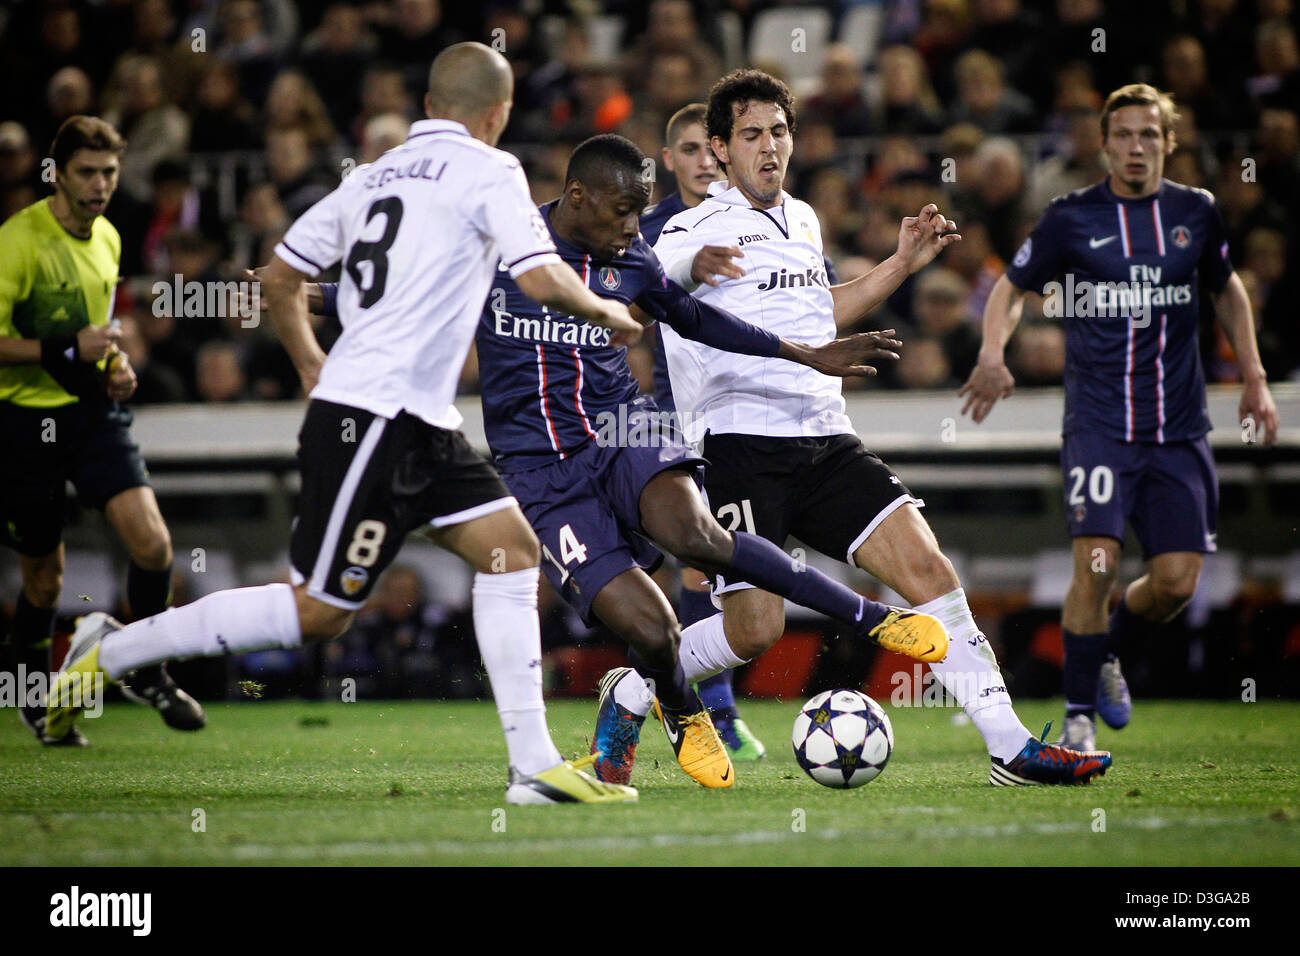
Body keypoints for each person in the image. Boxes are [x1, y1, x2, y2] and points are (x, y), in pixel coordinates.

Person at [45, 43, 643, 806]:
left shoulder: (370, 176)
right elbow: (538, 274)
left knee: (510, 550)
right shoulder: (492, 170)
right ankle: (111, 649)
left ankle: (532, 769)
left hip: (411, 419)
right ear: (497, 114)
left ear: (429, 106)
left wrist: (305, 360)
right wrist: (603, 311)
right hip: (374, 417)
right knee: (317, 612)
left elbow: (280, 273)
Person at [316, 134, 953, 790]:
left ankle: (875, 618)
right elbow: (394, 291)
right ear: (577, 198)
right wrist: (310, 296)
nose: (630, 227)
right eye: (620, 212)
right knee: (652, 628)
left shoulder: (630, 257)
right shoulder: (498, 245)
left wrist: (807, 353)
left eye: (637, 212)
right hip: (542, 470)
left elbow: (697, 319)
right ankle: (682, 711)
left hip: (624, 429)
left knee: (696, 536)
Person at [651, 69, 1112, 786]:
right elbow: (661, 273)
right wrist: (686, 266)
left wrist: (899, 264)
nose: (768, 146)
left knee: (928, 570)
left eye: (778, 131)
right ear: (718, 148)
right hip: (740, 446)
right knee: (754, 631)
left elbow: (820, 313)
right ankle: (642, 674)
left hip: (826, 437)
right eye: (750, 135)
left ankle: (1010, 746)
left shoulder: (801, 219)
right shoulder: (693, 226)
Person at [958, 83, 1280, 751]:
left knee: (1175, 583)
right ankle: (1078, 718)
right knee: (1097, 564)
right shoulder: (1070, 217)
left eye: (1149, 135)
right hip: (1100, 425)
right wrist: (992, 352)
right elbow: (1012, 289)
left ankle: (1105, 652)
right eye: (1124, 136)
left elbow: (1229, 292)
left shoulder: (1198, 212)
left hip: (1180, 427)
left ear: (1169, 142)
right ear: (1104, 145)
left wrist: (1253, 376)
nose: (1136, 147)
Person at [0, 115, 203, 746]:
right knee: (45, 580)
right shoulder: (17, 240)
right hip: (22, 422)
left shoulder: (110, 238)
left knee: (153, 545)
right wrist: (66, 350)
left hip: (90, 414)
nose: (100, 185)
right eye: (87, 172)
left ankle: (148, 669)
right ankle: (35, 699)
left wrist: (117, 368)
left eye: (110, 172)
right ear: (57, 174)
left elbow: (100, 334)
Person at [639, 103, 765, 762]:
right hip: (674, 419)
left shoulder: (748, 222)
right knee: (699, 566)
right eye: (687, 150)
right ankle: (707, 710)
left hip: (746, 415)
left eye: (709, 150)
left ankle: (699, 705)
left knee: (722, 564)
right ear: (668, 159)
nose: (703, 162)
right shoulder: (651, 229)